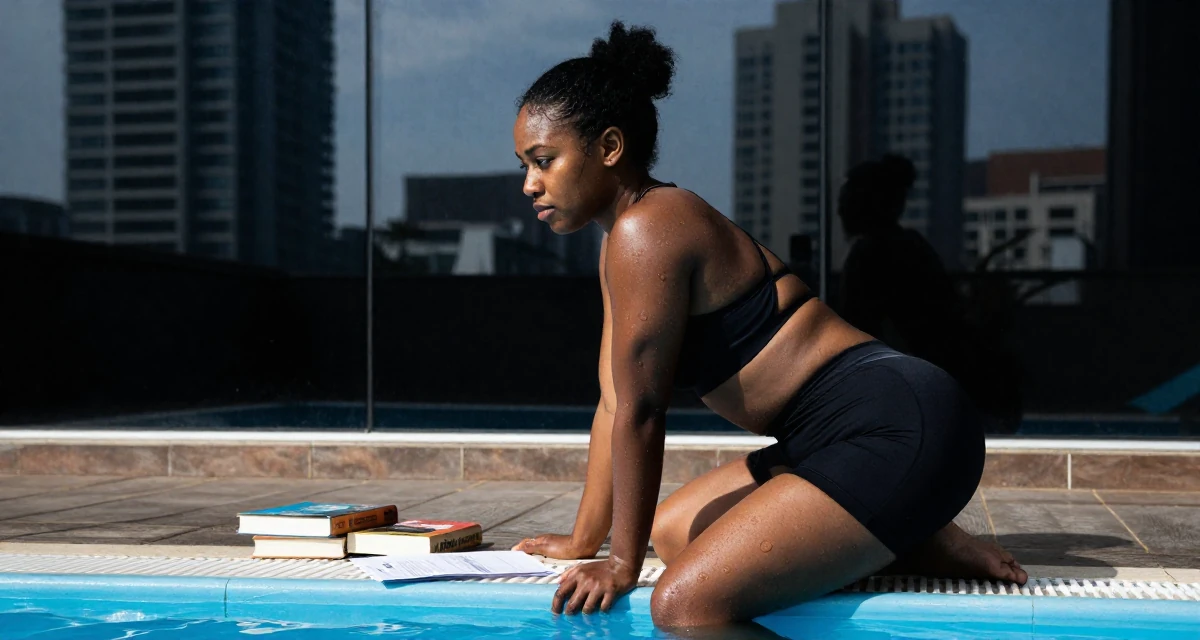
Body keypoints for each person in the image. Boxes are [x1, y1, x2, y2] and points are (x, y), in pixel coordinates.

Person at [509, 21, 1027, 633]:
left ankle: (915, 518)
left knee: (682, 606)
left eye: (544, 161)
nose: (529, 184)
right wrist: (584, 540)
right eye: (525, 165)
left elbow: (645, 414)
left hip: (898, 423)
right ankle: (917, 537)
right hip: (831, 439)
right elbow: (616, 403)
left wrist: (621, 566)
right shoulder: (620, 244)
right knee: (674, 532)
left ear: (610, 147)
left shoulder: (648, 229)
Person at [837, 156, 1024, 431]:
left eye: (849, 198)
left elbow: (863, 331)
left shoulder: (876, 255)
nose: (841, 209)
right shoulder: (906, 248)